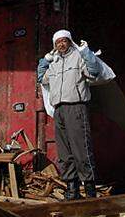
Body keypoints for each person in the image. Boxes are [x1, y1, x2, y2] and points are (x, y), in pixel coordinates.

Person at [37, 29, 101, 199]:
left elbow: (94, 72)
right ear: (55, 45)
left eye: (64, 41)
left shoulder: (78, 57)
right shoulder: (55, 63)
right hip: (59, 111)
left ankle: (89, 190)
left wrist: (86, 52)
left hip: (76, 108)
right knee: (64, 152)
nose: (61, 44)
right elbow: (41, 77)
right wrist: (45, 60)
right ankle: (72, 190)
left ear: (70, 41)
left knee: (82, 150)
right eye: (58, 42)